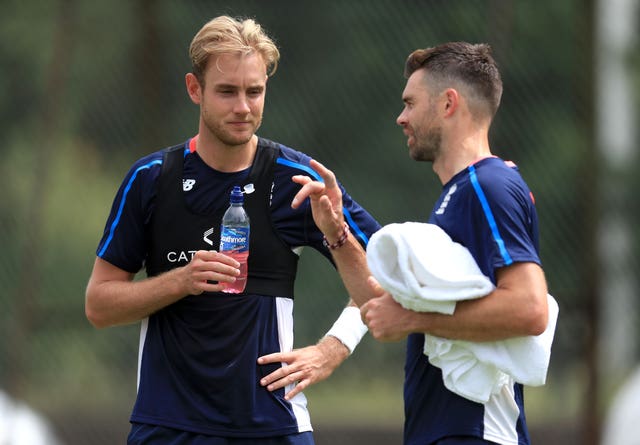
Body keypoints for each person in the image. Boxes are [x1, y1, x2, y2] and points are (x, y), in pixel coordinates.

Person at [84, 15, 379, 445]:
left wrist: (332, 349)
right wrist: (181, 281)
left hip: (273, 429)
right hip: (169, 428)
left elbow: (384, 280)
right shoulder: (150, 179)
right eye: (227, 91)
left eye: (254, 91)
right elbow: (99, 304)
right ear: (194, 89)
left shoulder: (298, 180)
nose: (243, 106)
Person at [291, 42, 550, 445]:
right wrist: (336, 233)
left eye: (410, 103)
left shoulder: (487, 187)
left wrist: (415, 321)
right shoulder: (462, 194)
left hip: (475, 434)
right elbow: (381, 309)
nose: (401, 118)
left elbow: (530, 309)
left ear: (448, 104)